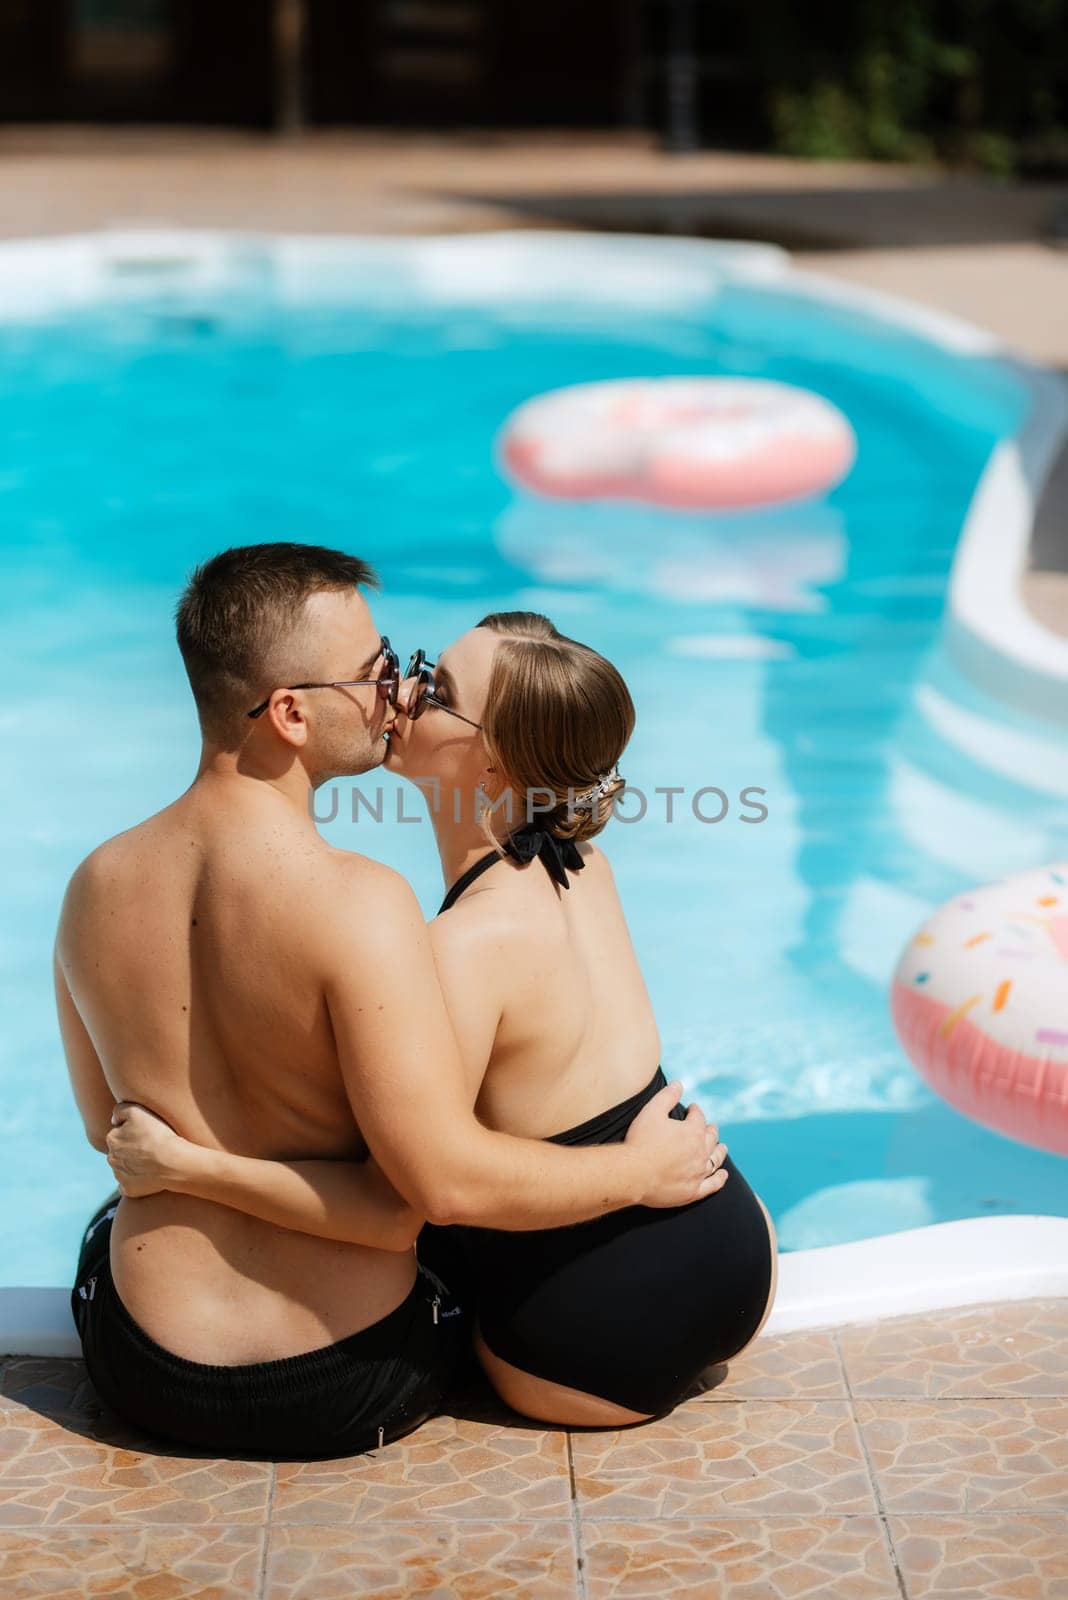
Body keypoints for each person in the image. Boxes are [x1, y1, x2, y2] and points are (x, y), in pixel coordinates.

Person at [56, 544, 725, 1461]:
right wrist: (637, 1175)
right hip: (346, 1378)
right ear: (289, 712)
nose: (395, 693)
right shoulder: (367, 906)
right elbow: (405, 1207)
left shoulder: (91, 885)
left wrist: (187, 1164)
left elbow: (111, 1132)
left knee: (110, 1216)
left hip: (144, 1369)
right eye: (375, 673)